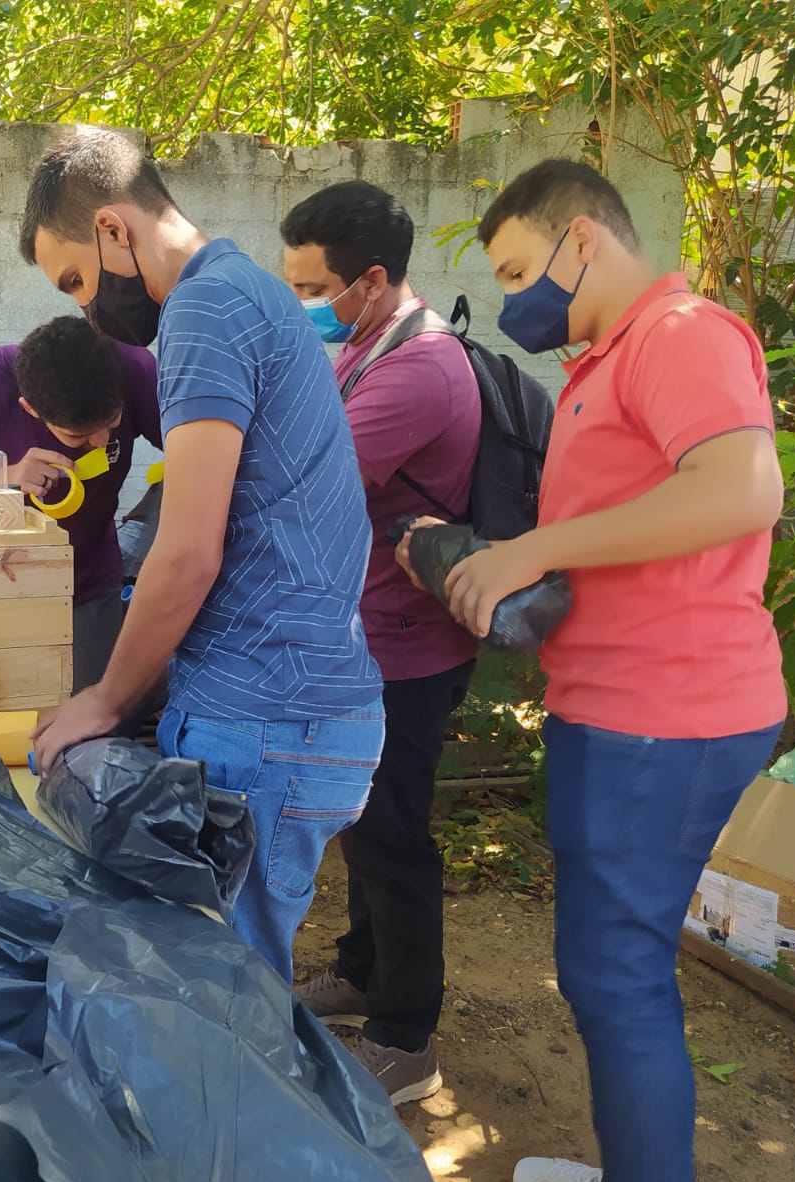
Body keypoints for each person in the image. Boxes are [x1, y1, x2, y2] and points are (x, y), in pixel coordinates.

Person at [396, 159, 785, 1182]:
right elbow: (627, 534)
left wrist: (533, 550)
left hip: (665, 715)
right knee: (609, 971)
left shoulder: (678, 335)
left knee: (615, 978)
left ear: (581, 240)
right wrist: (489, 555)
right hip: (623, 709)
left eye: (520, 267)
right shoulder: (600, 364)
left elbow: (743, 489)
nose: (516, 295)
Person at [23, 129, 384, 984]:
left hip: (265, 719)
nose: (85, 309)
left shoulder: (204, 310)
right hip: (290, 712)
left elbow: (186, 553)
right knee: (231, 995)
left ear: (114, 229)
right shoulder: (245, 291)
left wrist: (105, 700)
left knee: (227, 1016)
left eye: (75, 280)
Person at [279, 181, 481, 1106]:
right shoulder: (365, 343)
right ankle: (363, 970)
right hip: (363, 634)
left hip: (405, 645)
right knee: (360, 825)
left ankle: (406, 1035)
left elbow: (310, 478)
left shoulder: (419, 368)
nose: (303, 308)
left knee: (392, 836)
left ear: (369, 278)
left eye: (313, 289)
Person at [0, 316, 161, 691]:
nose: (101, 441)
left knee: (88, 715)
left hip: (90, 584)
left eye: (113, 421)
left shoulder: (135, 368)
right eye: (77, 435)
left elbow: (199, 455)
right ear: (30, 409)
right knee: (14, 713)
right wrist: (8, 479)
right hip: (2, 583)